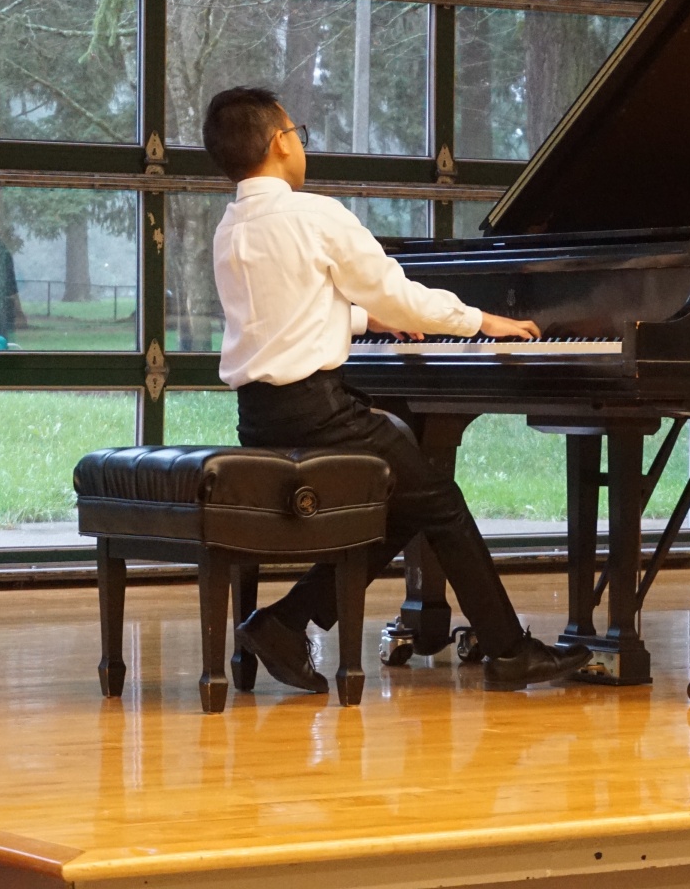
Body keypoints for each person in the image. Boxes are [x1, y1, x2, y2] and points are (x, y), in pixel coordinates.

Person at [204, 86, 591, 694]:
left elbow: (283, 313)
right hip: (321, 415)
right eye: (297, 133)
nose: (301, 144)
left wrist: (365, 321)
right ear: (280, 142)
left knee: (407, 503)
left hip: (259, 418)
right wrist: (479, 321)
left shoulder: (231, 227)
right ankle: (510, 652)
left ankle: (285, 621)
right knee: (440, 502)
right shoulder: (315, 215)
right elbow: (399, 294)